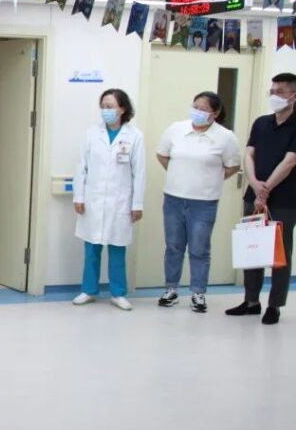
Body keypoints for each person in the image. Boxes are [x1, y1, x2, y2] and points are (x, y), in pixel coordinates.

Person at [155, 92, 241, 312]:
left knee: (199, 249)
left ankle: (198, 292)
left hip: (204, 202)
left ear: (215, 113)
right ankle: (171, 289)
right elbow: (162, 155)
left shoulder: (225, 137)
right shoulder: (176, 129)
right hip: (174, 198)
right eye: (195, 107)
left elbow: (232, 166)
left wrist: (209, 180)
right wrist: (179, 174)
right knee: (173, 247)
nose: (197, 112)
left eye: (203, 109)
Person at [226, 73, 296, 324]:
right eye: (272, 91)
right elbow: (249, 154)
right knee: (252, 248)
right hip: (253, 195)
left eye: (280, 92)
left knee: (279, 253)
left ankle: (274, 305)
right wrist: (255, 185)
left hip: (284, 199)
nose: (274, 95)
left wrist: (265, 191)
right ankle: (251, 301)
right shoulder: (261, 123)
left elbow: (290, 161)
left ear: (293, 96)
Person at [72, 89, 146, 310]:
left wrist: (137, 204)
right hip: (93, 200)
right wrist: (79, 196)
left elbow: (139, 172)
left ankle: (118, 293)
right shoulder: (91, 133)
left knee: (117, 248)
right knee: (91, 249)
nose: (106, 110)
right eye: (103, 106)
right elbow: (81, 166)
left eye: (110, 106)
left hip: (120, 201)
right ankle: (88, 290)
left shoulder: (135, 136)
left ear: (122, 109)